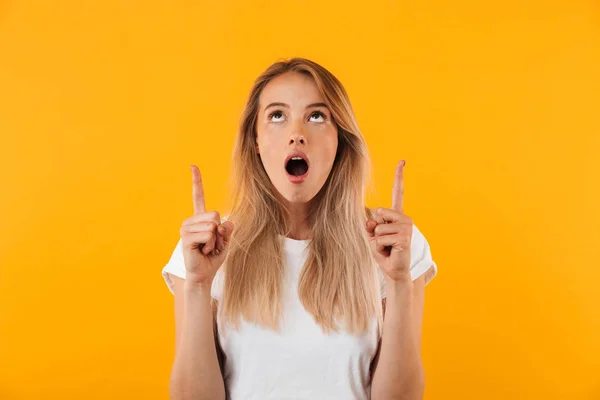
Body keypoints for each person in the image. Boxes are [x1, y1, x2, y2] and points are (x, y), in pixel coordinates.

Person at [161, 57, 438, 400]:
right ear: (256, 141)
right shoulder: (208, 248)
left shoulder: (391, 245)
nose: (296, 135)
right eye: (277, 116)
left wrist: (398, 284)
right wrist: (198, 286)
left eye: (317, 116)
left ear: (340, 141)